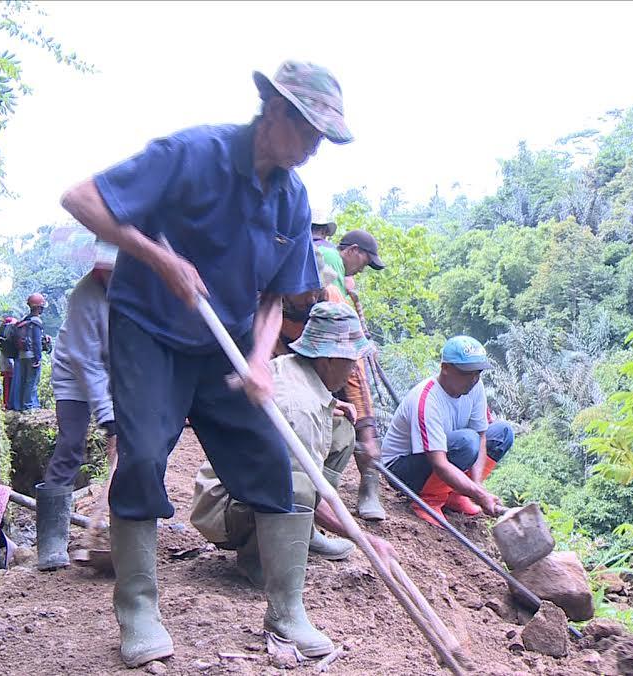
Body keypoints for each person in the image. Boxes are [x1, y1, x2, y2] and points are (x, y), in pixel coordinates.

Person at [59, 60, 352, 667]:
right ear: (275, 112)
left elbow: (277, 295)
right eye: (311, 132)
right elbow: (80, 197)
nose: (315, 149)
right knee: (140, 458)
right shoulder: (193, 153)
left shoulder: (293, 201)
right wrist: (158, 259)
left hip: (225, 348)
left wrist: (261, 359)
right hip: (150, 333)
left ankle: (287, 612)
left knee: (276, 464)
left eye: (325, 138)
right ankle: (138, 609)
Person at [190, 302, 395, 586]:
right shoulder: (301, 410)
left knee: (342, 429)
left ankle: (303, 534)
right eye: (349, 361)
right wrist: (364, 539)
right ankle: (258, 557)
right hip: (225, 505)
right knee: (298, 487)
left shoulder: (296, 368)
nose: (352, 372)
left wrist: (332, 405)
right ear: (327, 361)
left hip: (246, 485)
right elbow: (296, 491)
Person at [279, 226, 388, 522]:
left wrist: (363, 424)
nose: (311, 296)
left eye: (315, 289)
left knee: (357, 422)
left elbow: (352, 364)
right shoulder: (273, 302)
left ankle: (368, 483)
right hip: (296, 358)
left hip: (336, 354)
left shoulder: (330, 296)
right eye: (305, 290)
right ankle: (302, 499)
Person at [34, 241, 119, 572]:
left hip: (115, 374)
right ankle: (52, 543)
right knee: (70, 445)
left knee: (134, 448)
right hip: (74, 375)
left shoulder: (136, 287)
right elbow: (87, 364)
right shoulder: (84, 295)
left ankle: (119, 532)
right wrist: (110, 421)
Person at [381, 336, 514, 526]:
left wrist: (477, 488)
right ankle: (429, 500)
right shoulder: (427, 399)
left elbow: (482, 435)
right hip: (401, 469)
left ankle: (454, 494)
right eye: (467, 373)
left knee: (502, 433)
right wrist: (480, 495)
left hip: (443, 454)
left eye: (478, 372)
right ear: (446, 368)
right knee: (467, 442)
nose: (474, 379)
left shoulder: (475, 387)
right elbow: (439, 463)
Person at [9, 293, 46, 411]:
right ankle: (29, 406)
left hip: (21, 356)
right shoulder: (36, 321)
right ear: (40, 307)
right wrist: (38, 358)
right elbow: (36, 342)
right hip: (31, 357)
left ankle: (19, 406)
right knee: (32, 381)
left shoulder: (25, 320)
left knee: (21, 381)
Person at [0, 316, 17, 410]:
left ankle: (7, 403)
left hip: (6, 363)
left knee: (7, 384)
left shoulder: (2, 338)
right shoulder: (8, 338)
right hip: (9, 364)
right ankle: (7, 404)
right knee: (9, 384)